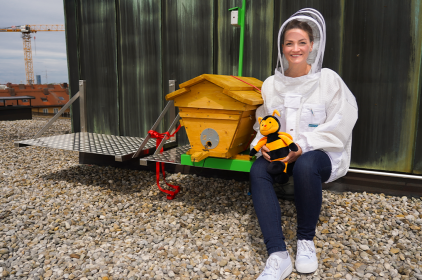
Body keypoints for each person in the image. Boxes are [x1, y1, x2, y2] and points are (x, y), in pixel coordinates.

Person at [250, 9, 358, 279]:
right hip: (281, 153)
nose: (295, 48)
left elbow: (341, 121)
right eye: (289, 43)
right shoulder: (271, 84)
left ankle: (305, 241)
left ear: (312, 46)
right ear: (281, 47)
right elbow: (262, 121)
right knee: (258, 170)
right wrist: (261, 144)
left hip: (318, 154)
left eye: (301, 42)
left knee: (305, 165)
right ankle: (277, 253)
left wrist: (302, 146)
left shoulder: (328, 80)